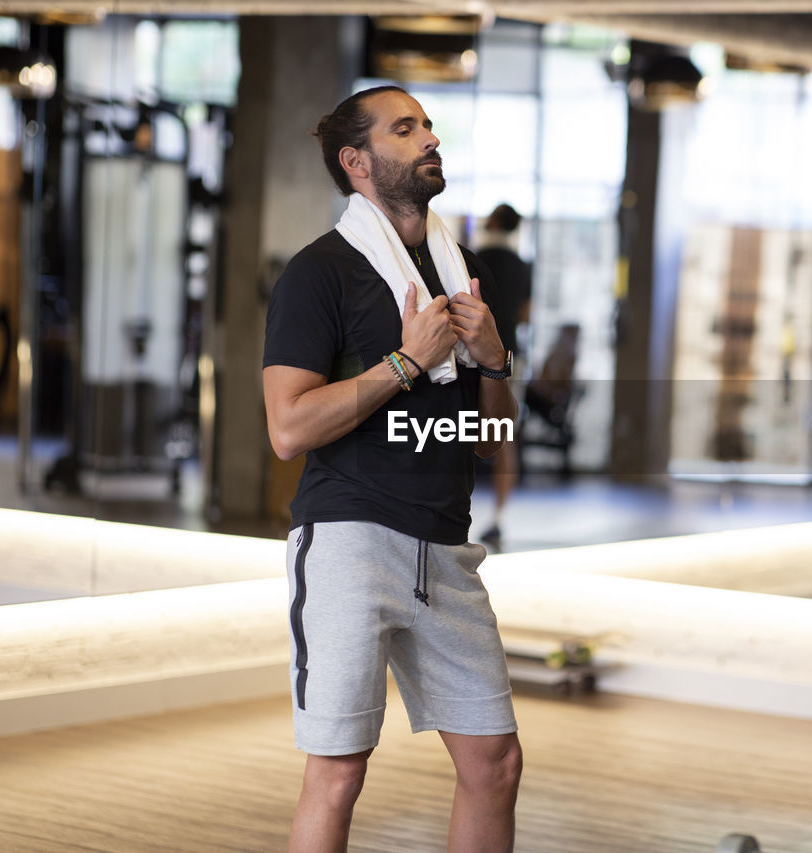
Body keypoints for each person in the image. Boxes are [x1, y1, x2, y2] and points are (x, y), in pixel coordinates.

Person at [262, 85, 522, 853]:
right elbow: (287, 428)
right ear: (358, 161)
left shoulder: (460, 269)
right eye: (404, 129)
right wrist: (407, 361)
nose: (428, 138)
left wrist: (494, 357)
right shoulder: (322, 273)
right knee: (338, 771)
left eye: (428, 126)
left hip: (445, 544)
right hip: (350, 539)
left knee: (495, 762)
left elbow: (491, 429)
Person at [474, 203, 532, 548]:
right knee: (505, 436)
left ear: (493, 222)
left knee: (455, 431)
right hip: (509, 357)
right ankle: (498, 518)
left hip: (469, 356)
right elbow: (525, 314)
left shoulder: (471, 258)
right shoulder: (523, 267)